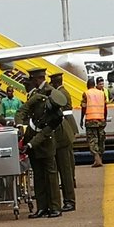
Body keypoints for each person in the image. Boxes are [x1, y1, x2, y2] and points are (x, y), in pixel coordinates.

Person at [16, 66, 62, 217]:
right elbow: (23, 111)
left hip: (45, 141)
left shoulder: (51, 95)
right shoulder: (36, 95)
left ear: (38, 79)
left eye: (32, 80)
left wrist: (30, 143)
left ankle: (55, 207)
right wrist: (19, 126)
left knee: (50, 175)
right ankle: (42, 207)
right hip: (33, 140)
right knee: (38, 175)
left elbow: (49, 127)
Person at [49, 74, 78, 211]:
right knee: (68, 159)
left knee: (66, 162)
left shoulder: (60, 93)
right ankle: (71, 180)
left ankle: (71, 183)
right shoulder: (63, 91)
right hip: (67, 123)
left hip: (64, 124)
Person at [81, 76, 108, 168]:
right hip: (101, 119)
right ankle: (100, 157)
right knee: (101, 139)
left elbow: (84, 107)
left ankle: (97, 158)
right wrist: (105, 118)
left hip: (90, 119)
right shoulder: (102, 93)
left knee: (92, 139)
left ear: (88, 85)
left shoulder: (86, 93)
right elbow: (105, 107)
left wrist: (81, 119)